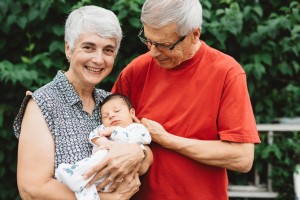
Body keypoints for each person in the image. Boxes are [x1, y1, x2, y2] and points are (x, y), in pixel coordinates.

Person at [111, 0, 261, 199]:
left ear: (194, 34)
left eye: (164, 45)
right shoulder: (135, 71)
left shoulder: (226, 73)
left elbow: (242, 158)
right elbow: (106, 132)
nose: (153, 52)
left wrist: (167, 140)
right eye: (148, 40)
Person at [13, 5, 152, 200]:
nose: (98, 59)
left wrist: (139, 152)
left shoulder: (109, 102)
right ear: (68, 48)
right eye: (88, 47)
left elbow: (144, 151)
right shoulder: (42, 104)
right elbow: (33, 188)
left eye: (108, 50)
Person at [55, 94, 152, 200]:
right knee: (100, 157)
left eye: (117, 111)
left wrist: (114, 132)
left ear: (131, 113)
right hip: (100, 172)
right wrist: (102, 141)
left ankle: (76, 177)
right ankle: (80, 181)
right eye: (105, 116)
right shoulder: (103, 128)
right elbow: (93, 136)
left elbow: (145, 138)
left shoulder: (136, 128)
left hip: (122, 174)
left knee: (105, 154)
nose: (111, 115)